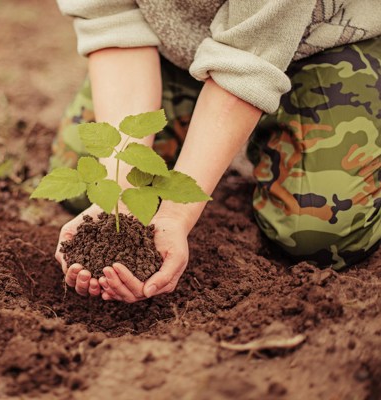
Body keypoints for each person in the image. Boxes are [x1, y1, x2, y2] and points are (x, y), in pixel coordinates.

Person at [51, 0, 381, 303]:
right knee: (88, 188)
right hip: (175, 43)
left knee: (320, 234)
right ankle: (202, 93)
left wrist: (177, 213)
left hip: (324, 41)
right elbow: (112, 18)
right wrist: (120, 191)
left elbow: (249, 59)